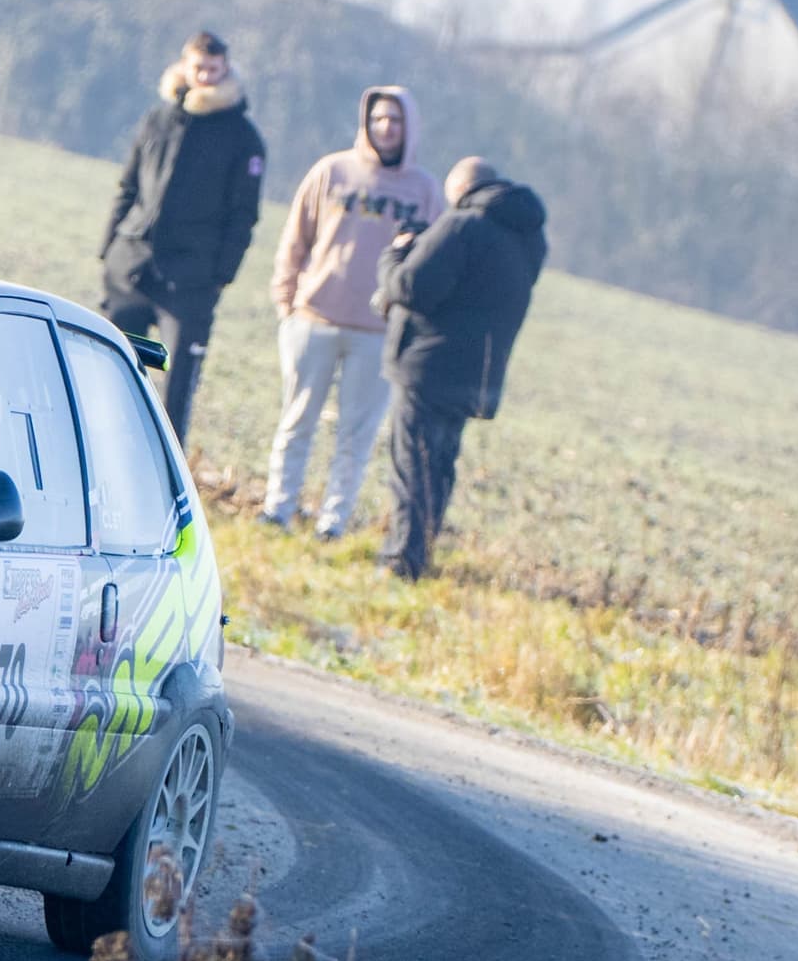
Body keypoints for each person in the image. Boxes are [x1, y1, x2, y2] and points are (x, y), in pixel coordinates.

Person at [263, 84, 442, 537]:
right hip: (314, 319)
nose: (385, 127)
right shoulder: (332, 171)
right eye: (378, 118)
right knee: (296, 422)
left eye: (395, 121)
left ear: (410, 128)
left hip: (377, 333)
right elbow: (295, 238)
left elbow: (436, 260)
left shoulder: (423, 191)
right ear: (367, 122)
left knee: (355, 436)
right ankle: (278, 509)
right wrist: (287, 301)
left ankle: (332, 522)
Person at [372, 155, 546, 580]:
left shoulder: (462, 226)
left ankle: (402, 560)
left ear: (461, 189)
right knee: (440, 467)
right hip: (479, 376)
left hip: (428, 367)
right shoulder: (529, 239)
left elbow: (414, 286)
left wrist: (394, 257)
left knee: (412, 465)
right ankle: (423, 552)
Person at [97, 31, 268, 438]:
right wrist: (109, 249)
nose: (206, 76)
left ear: (225, 69)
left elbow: (243, 217)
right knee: (106, 366)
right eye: (199, 67)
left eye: (214, 69)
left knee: (176, 386)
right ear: (185, 67)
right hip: (132, 264)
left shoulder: (243, 137)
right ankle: (99, 440)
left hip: (191, 280)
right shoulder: (158, 118)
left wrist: (219, 276)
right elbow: (128, 186)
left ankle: (162, 468)